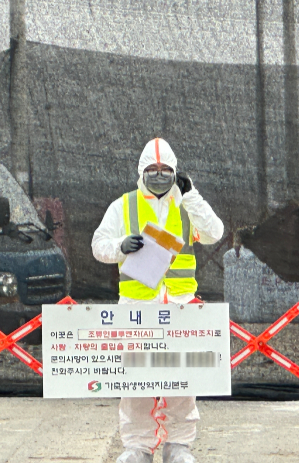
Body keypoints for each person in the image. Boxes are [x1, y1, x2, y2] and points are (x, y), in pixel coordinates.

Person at [92, 138, 224, 463]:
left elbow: (215, 233)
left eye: (166, 170)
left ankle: (178, 446)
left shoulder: (187, 207)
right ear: (141, 172)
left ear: (176, 173)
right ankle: (137, 447)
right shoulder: (123, 205)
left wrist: (191, 195)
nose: (159, 175)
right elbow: (99, 245)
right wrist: (120, 246)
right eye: (152, 170)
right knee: (136, 381)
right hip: (138, 310)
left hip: (180, 308)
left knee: (182, 380)